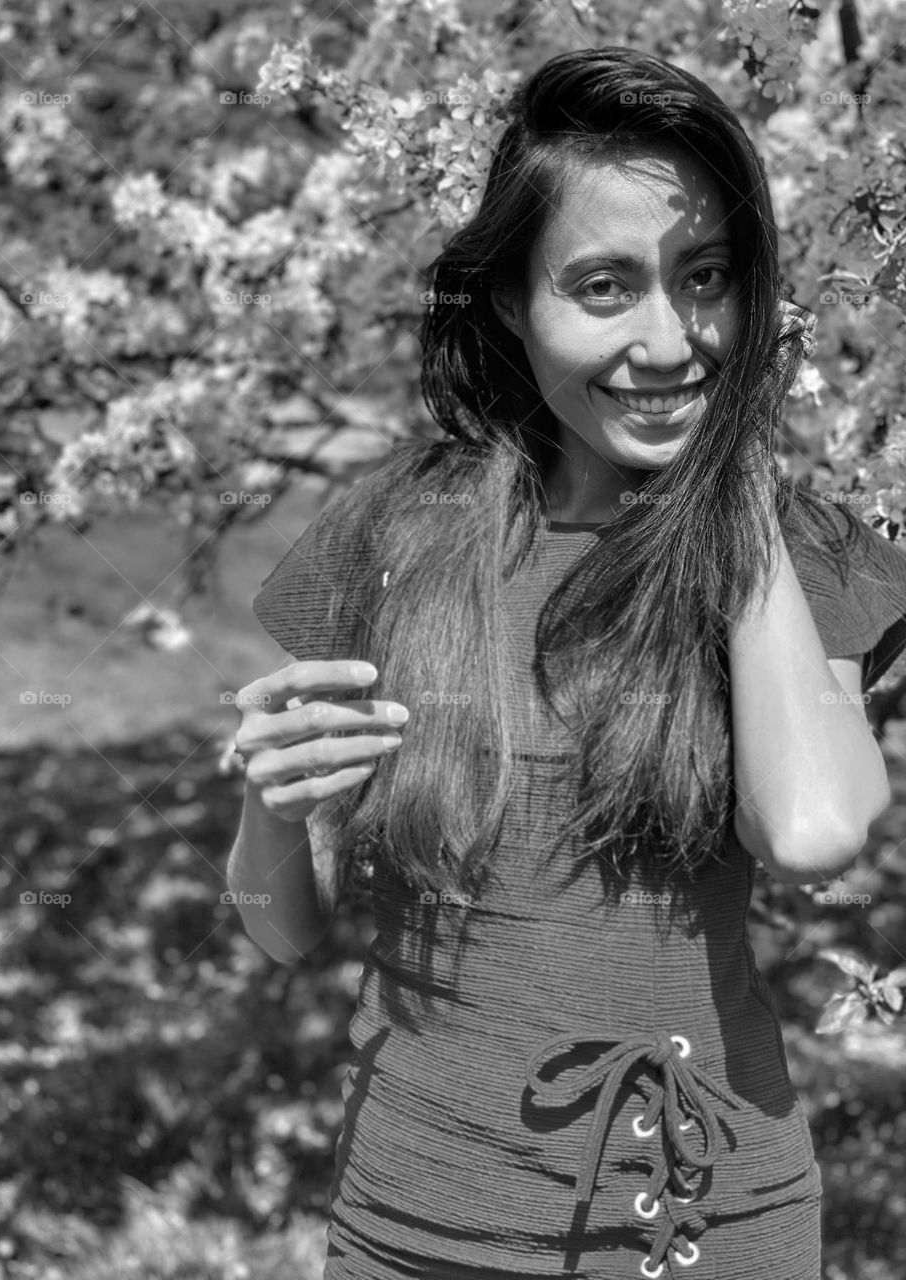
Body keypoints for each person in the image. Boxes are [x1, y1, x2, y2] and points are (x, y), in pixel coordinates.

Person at [228, 46, 906, 1280]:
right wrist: (272, 813)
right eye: (604, 286)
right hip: (419, 1221)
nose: (670, 339)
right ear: (508, 303)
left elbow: (812, 828)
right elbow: (279, 931)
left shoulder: (798, 554)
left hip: (707, 1219)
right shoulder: (396, 534)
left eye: (706, 278)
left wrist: (735, 471)